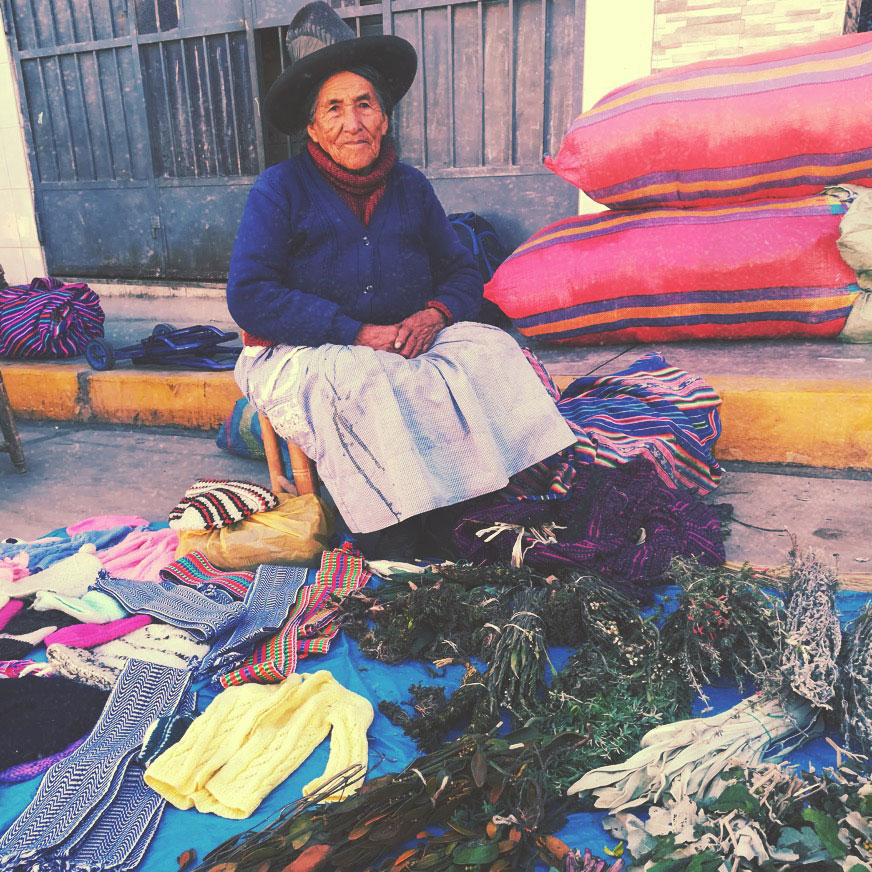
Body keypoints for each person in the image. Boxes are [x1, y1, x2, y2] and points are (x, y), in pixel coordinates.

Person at [227, 1, 574, 544]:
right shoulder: (280, 189)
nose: (353, 122)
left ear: (384, 118)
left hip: (405, 335)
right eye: (334, 109)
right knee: (369, 383)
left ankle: (485, 494)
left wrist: (435, 314)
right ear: (313, 129)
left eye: (364, 105)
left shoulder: (410, 186)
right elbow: (250, 297)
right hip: (302, 349)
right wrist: (354, 332)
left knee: (494, 352)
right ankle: (402, 528)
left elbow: (462, 270)